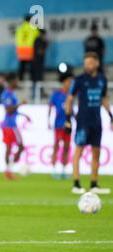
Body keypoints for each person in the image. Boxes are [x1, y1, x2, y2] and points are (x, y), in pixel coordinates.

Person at [64, 52, 112, 195]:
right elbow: (69, 99)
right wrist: (68, 119)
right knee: (78, 150)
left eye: (90, 63)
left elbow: (103, 98)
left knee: (96, 152)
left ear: (97, 63)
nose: (87, 66)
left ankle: (94, 184)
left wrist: (110, 115)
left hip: (96, 121)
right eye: (85, 64)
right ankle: (76, 184)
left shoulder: (102, 79)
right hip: (83, 121)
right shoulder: (79, 80)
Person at [0, 73, 31, 180]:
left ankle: (8, 171)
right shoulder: (7, 94)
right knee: (19, 146)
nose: (17, 82)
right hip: (10, 125)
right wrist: (20, 104)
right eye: (16, 80)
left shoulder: (10, 93)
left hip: (8, 125)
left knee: (10, 147)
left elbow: (13, 111)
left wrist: (24, 115)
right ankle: (9, 170)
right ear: (12, 81)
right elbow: (9, 110)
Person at [48, 72, 73, 179]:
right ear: (64, 82)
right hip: (58, 125)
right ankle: (53, 170)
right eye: (69, 82)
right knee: (57, 146)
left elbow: (72, 110)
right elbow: (50, 107)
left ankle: (63, 170)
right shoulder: (56, 94)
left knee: (67, 147)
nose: (70, 84)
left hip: (68, 125)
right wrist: (48, 120)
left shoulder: (71, 95)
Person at [15, 14, 40, 81]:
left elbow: (17, 36)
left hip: (20, 49)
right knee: (32, 66)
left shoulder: (20, 28)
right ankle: (32, 79)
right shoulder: (33, 27)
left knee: (22, 66)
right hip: (29, 49)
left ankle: (20, 79)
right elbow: (38, 34)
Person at [31, 29, 48, 101]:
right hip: (36, 63)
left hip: (39, 63)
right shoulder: (38, 41)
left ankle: (39, 92)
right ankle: (34, 94)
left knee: (39, 79)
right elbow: (39, 51)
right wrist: (45, 44)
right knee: (36, 79)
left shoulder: (40, 41)